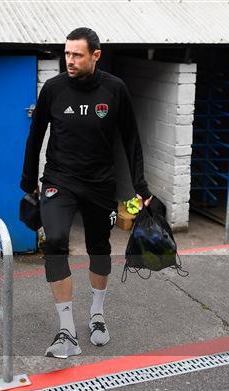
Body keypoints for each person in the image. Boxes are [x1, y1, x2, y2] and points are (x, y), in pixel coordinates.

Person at [20, 27, 153, 358]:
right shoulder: (53, 89)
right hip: (58, 181)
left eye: (77, 54)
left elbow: (132, 139)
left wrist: (141, 186)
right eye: (66, 54)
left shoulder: (115, 90)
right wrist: (28, 181)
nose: (70, 60)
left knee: (99, 249)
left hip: (99, 184)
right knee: (54, 242)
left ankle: (96, 315)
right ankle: (66, 330)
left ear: (96, 55)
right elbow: (35, 135)